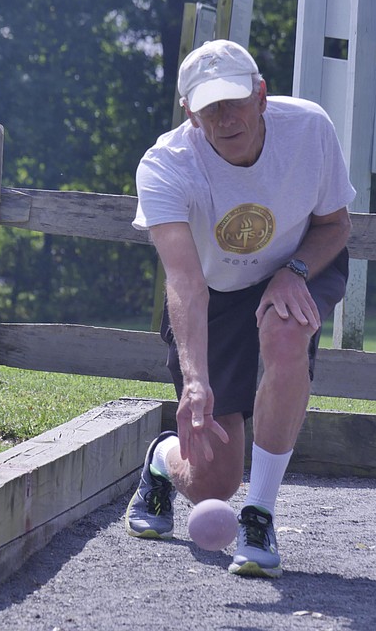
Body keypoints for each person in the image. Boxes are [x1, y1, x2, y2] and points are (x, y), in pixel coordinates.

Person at [125, 39, 355, 578]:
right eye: (209, 106)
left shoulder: (310, 129)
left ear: (262, 96)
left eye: (234, 100)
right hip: (215, 292)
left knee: (284, 333)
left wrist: (293, 271)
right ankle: (162, 459)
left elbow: (336, 227)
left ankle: (259, 516)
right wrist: (196, 382)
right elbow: (184, 281)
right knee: (212, 483)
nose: (225, 117)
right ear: (189, 112)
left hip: (299, 266)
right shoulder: (165, 166)